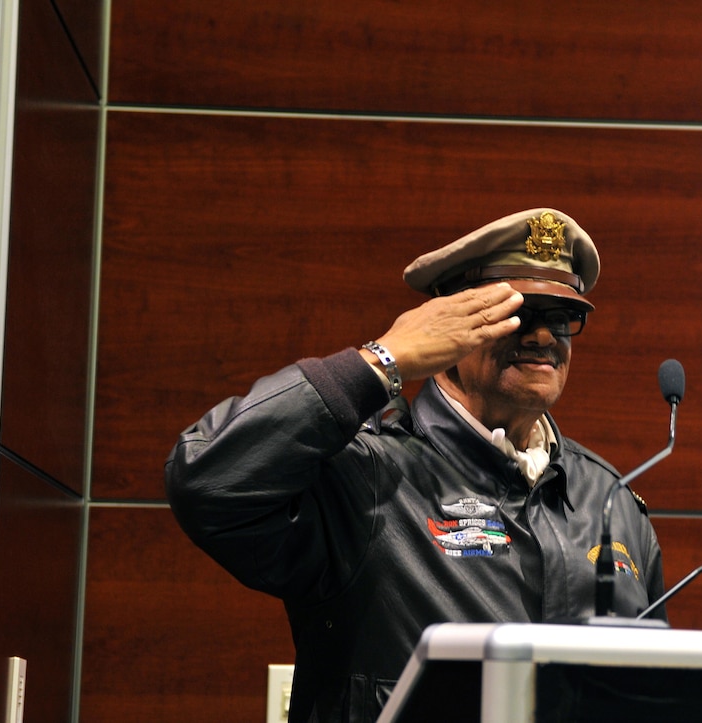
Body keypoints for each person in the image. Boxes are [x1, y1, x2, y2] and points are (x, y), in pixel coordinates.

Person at [164, 208, 667, 722]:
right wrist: (383, 361)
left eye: (561, 318)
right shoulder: (363, 473)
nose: (542, 337)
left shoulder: (612, 500)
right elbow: (206, 477)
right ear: (445, 325)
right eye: (518, 314)